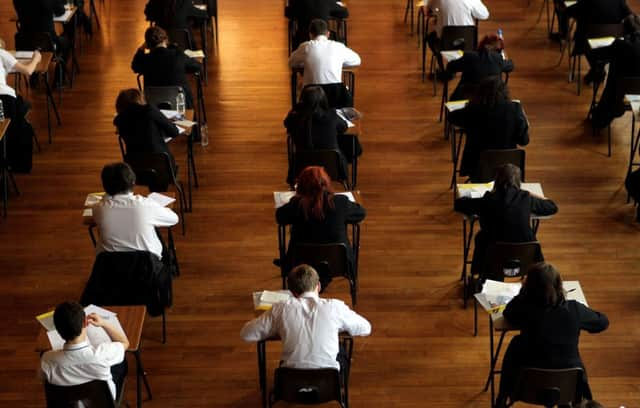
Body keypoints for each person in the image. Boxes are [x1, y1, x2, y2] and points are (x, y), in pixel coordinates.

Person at [494, 263, 609, 407]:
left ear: (528, 287)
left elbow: (508, 313)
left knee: (516, 342)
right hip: (569, 387)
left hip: (526, 386)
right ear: (559, 285)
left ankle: (502, 397)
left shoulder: (524, 308)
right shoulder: (574, 310)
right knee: (570, 350)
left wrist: (523, 293)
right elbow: (603, 322)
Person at [240, 264, 371, 372]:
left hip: (290, 385)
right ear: (318, 286)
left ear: (292, 292)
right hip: (328, 384)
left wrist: (277, 326)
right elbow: (365, 327)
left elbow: (246, 334)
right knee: (341, 349)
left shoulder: (280, 308)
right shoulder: (335, 307)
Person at [454, 164, 558, 280]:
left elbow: (459, 204)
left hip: (492, 257)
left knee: (481, 237)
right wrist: (530, 194)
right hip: (524, 257)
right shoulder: (525, 198)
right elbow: (552, 207)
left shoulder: (488, 199)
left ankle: (483, 280)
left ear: (496, 181)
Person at [276, 166, 365, 286]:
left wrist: (294, 199)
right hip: (337, 263)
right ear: (326, 183)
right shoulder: (340, 202)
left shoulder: (297, 204)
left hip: (300, 262)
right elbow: (361, 213)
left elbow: (279, 217)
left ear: (301, 185)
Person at [40, 301, 130, 401]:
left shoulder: (47, 359)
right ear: (85, 323)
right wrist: (104, 323)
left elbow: (42, 378)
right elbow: (124, 343)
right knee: (121, 364)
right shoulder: (102, 354)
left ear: (57, 330)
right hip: (103, 403)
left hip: (69, 404)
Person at [93, 162, 179, 261]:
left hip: (112, 269)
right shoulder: (145, 205)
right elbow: (174, 219)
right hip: (147, 268)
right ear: (133, 182)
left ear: (105, 185)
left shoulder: (98, 209)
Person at [449, 78, 529, 181]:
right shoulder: (515, 109)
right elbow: (524, 141)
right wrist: (524, 122)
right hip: (508, 169)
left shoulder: (474, 110)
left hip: (478, 168)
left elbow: (452, 117)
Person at [284, 86, 360, 183]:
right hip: (332, 167)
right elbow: (343, 127)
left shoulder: (295, 117)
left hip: (301, 166)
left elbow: (286, 124)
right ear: (324, 100)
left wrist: (296, 108)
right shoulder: (331, 115)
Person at [131, 26, 202, 109]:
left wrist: (141, 48)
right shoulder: (177, 55)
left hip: (154, 106)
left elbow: (135, 67)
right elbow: (197, 67)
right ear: (165, 40)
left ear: (148, 44)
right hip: (181, 104)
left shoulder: (145, 60)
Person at [564, 0, 632, 84]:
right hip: (613, 43)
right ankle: (598, 68)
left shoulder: (588, 2)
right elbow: (630, 16)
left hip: (589, 43)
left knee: (583, 37)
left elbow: (569, 12)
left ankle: (597, 69)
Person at [591, 14, 640, 129]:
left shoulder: (620, 45)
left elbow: (601, 55)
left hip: (618, 93)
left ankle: (599, 120)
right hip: (637, 92)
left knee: (609, 73)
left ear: (624, 30)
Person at [0, 38, 41, 173]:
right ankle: (16, 165)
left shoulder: (4, 55)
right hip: (4, 99)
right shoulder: (1, 53)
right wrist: (36, 59)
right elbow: (28, 71)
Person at [114, 88, 179, 171]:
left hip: (135, 168)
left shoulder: (119, 121)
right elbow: (174, 132)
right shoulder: (149, 110)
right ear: (140, 100)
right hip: (162, 166)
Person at [289, 19, 361, 89]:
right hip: (335, 92)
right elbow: (357, 60)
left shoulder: (305, 47)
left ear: (310, 35)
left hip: (312, 93)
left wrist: (306, 63)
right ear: (328, 34)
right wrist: (339, 62)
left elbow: (291, 62)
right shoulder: (338, 46)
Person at [426, 0, 489, 74]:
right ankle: (465, 67)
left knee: (430, 37)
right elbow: (485, 15)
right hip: (467, 42)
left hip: (445, 44)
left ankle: (444, 70)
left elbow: (430, 9)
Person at [446, 34, 513, 101]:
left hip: (466, 100)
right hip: (490, 102)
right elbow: (510, 66)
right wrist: (505, 58)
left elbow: (450, 67)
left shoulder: (468, 56)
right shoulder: (498, 59)